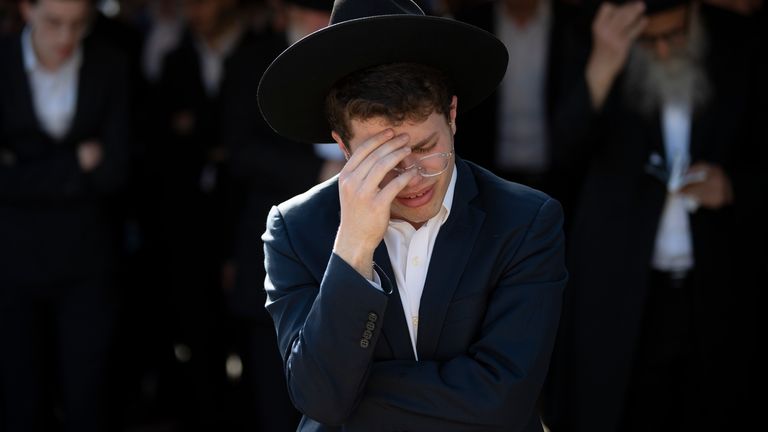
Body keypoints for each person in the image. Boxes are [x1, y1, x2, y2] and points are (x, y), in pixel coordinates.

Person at [257, 0, 567, 430]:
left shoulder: (525, 221)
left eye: (424, 149)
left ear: (453, 116)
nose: (413, 179)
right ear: (344, 148)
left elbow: (503, 398)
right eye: (384, 160)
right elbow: (317, 396)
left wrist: (352, 398)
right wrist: (353, 247)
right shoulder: (295, 230)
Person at [541, 1, 764, 431]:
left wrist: (734, 186)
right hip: (621, 289)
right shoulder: (590, 39)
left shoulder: (741, 41)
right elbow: (563, 157)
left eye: (673, 36)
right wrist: (604, 64)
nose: (661, 51)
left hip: (718, 290)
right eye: (648, 41)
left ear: (693, 14)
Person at [0, 0, 131, 430]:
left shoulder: (109, 64)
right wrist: (77, 163)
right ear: (26, 9)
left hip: (87, 262)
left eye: (78, 25)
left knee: (89, 397)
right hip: (12, 265)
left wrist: (26, 169)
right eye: (54, 23)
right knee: (20, 398)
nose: (65, 39)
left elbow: (118, 168)